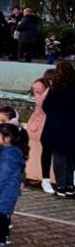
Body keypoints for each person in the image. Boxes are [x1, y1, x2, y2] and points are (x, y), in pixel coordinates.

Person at [41, 62, 75, 196]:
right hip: (71, 127)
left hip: (55, 127)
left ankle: (60, 186)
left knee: (59, 157)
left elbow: (46, 106)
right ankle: (70, 185)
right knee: (70, 157)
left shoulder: (55, 88)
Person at [27, 78, 54, 194]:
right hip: (42, 126)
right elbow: (40, 102)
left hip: (54, 125)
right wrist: (50, 89)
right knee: (47, 151)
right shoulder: (41, 86)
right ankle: (45, 179)